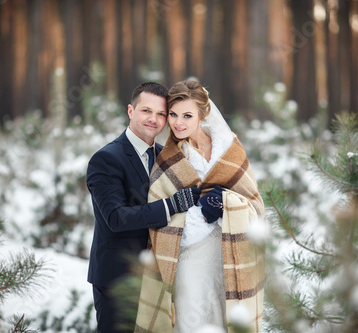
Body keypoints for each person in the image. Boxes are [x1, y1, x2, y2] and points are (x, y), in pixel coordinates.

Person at [135, 80, 265, 332]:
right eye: (172, 114)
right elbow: (160, 215)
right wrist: (201, 215)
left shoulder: (229, 149)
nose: (177, 123)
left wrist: (225, 205)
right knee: (191, 317)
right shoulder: (168, 159)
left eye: (186, 115)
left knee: (223, 317)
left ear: (202, 115)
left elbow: (255, 204)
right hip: (187, 258)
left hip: (226, 255)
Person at [86, 81, 201, 333]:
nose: (154, 119)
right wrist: (171, 206)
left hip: (160, 279)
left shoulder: (166, 157)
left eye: (161, 114)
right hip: (119, 280)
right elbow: (116, 218)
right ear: (130, 111)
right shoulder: (106, 159)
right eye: (146, 111)